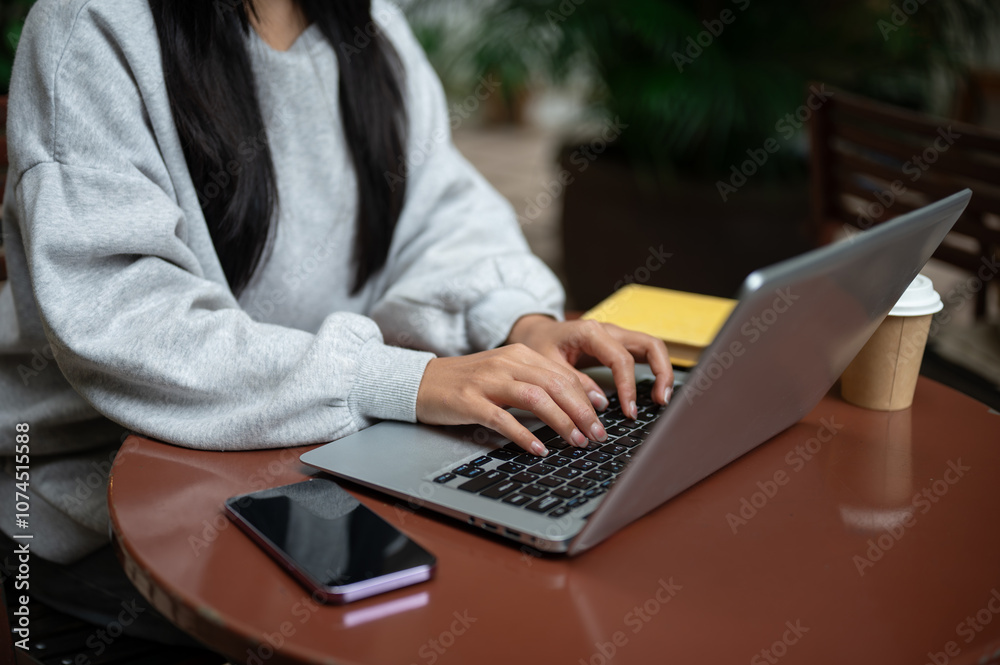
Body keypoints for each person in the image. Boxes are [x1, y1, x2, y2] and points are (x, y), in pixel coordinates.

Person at [0, 0, 673, 644]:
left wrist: (519, 322)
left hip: (314, 463)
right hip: (106, 508)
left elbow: (445, 213)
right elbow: (125, 316)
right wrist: (401, 379)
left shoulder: (369, 26)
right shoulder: (90, 27)